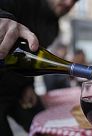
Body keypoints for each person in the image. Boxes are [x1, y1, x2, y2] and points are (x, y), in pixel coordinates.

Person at [0, 0, 78, 135]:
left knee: (49, 130)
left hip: (18, 90)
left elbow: (32, 61)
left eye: (75, 0)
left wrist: (28, 85)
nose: (69, 3)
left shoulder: (54, 28)